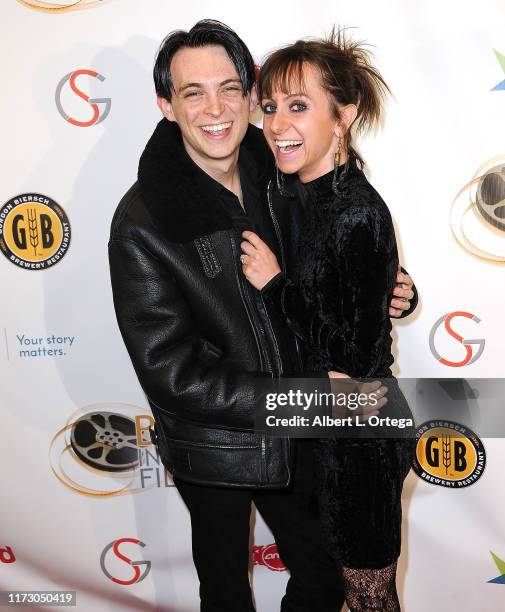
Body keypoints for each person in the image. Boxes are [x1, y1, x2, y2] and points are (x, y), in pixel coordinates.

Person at [108, 20, 416, 612]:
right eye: (192, 92)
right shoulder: (142, 221)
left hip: (303, 431)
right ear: (165, 106)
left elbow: (327, 253)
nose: (215, 108)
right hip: (220, 442)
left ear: (250, 95)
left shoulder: (277, 163)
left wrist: (383, 288)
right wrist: (295, 398)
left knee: (324, 580)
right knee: (226, 593)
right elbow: (172, 372)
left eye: (230, 87)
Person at [241, 29, 416, 611]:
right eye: (269, 107)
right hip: (313, 428)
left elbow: (359, 361)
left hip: (360, 439)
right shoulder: (290, 194)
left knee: (369, 599)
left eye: (298, 106)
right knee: (326, 588)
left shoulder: (356, 211)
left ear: (343, 116)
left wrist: (276, 286)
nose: (276, 124)